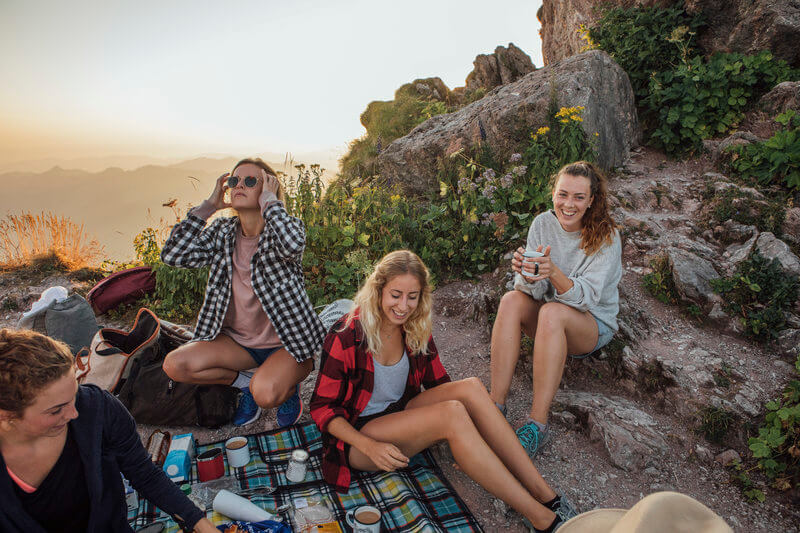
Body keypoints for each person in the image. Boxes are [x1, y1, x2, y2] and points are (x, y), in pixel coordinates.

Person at [310, 250, 577, 533]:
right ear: (378, 291)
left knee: (472, 388)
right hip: (359, 439)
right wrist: (369, 446)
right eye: (395, 295)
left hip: (401, 415)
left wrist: (472, 442)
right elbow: (322, 409)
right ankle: (542, 519)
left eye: (412, 297)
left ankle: (549, 497)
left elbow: (441, 386)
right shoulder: (346, 334)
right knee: (451, 415)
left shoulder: (414, 325)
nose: (403, 306)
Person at [0, 328, 218, 533]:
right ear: (6, 415)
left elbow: (144, 474)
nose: (74, 414)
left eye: (74, 394)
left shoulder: (96, 409)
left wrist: (197, 522)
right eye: (56, 410)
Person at [161, 158, 325, 427]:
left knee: (267, 394)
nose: (239, 186)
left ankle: (288, 385)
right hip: (239, 345)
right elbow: (173, 255)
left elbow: (292, 245)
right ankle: (246, 383)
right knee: (175, 364)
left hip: (287, 344)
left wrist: (272, 203)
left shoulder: (286, 229)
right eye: (233, 181)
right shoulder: (223, 233)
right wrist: (208, 208)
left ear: (268, 189)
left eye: (250, 181)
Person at [489, 161, 622, 457]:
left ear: (591, 201)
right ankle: (494, 407)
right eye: (563, 195)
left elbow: (587, 300)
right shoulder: (542, 224)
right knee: (510, 300)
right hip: (551, 319)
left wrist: (554, 272)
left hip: (590, 325)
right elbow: (533, 291)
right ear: (553, 194)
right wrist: (526, 272)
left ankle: (538, 424)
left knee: (551, 312)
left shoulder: (607, 237)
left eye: (578, 197)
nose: (569, 204)